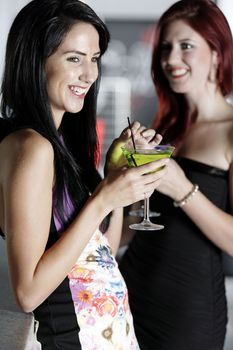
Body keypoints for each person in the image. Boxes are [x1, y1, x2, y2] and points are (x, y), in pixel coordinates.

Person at [0, 0, 169, 348]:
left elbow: (101, 254)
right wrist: (104, 196)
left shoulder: (61, 144)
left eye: (94, 59)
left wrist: (113, 177)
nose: (89, 74)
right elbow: (27, 293)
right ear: (36, 59)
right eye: (74, 58)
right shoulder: (31, 147)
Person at [119, 0, 233, 349]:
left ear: (217, 53)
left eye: (186, 46)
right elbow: (125, 233)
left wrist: (182, 188)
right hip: (129, 295)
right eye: (165, 47)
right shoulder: (165, 129)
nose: (170, 59)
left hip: (187, 313)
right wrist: (121, 179)